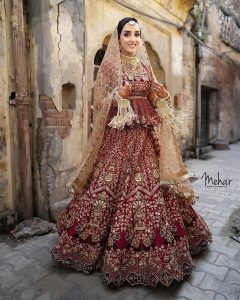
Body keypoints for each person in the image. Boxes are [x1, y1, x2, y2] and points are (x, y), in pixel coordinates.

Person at [52, 17, 212, 288]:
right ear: (119, 37)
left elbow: (152, 97)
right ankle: (100, 251)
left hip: (147, 140)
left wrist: (159, 94)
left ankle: (159, 253)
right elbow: (99, 102)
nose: (133, 39)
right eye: (127, 34)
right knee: (108, 188)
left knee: (154, 191)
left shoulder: (145, 66)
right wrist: (119, 94)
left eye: (137, 34)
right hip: (119, 139)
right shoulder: (111, 66)